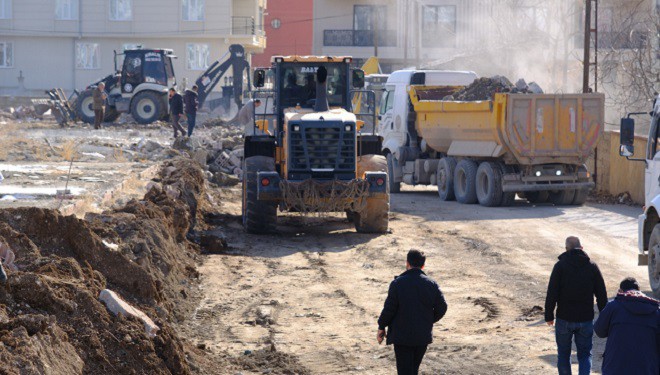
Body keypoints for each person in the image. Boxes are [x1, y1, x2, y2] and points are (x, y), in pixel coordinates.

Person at [377, 249, 447, 375]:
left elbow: (389, 309)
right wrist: (427, 320)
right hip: (422, 336)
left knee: (405, 371)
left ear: (407, 263)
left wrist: (381, 327)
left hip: (402, 337)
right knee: (413, 370)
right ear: (423, 265)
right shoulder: (431, 284)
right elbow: (442, 307)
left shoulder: (397, 283)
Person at [545, 236, 608, 375]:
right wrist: (605, 316)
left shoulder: (560, 266)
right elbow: (602, 294)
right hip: (585, 319)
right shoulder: (592, 266)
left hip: (564, 318)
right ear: (582, 248)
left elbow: (552, 292)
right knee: (585, 355)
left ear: (566, 249)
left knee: (563, 354)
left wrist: (549, 315)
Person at [594, 277, 660, 375]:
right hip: (647, 368)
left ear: (620, 291)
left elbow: (599, 331)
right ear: (639, 291)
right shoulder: (656, 311)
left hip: (615, 367)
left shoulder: (613, 307)